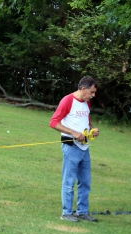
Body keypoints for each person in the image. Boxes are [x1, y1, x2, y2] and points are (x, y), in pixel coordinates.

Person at [49, 76, 100, 222]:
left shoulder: (86, 103)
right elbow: (53, 122)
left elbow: (87, 122)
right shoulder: (68, 100)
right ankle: (66, 213)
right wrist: (73, 133)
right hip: (70, 145)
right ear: (83, 89)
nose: (93, 95)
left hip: (84, 147)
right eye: (91, 92)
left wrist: (93, 129)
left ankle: (82, 212)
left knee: (85, 182)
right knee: (69, 181)